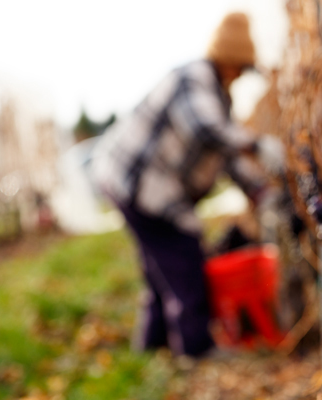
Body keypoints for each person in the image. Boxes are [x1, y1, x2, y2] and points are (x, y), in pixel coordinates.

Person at [91, 12, 265, 357]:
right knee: (183, 256)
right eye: (240, 67)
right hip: (137, 182)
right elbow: (205, 129)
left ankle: (153, 345)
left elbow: (224, 154)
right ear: (227, 60)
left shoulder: (217, 95)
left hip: (140, 183)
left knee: (160, 267)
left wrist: (256, 188)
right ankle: (195, 349)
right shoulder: (194, 78)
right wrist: (257, 144)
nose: (240, 76)